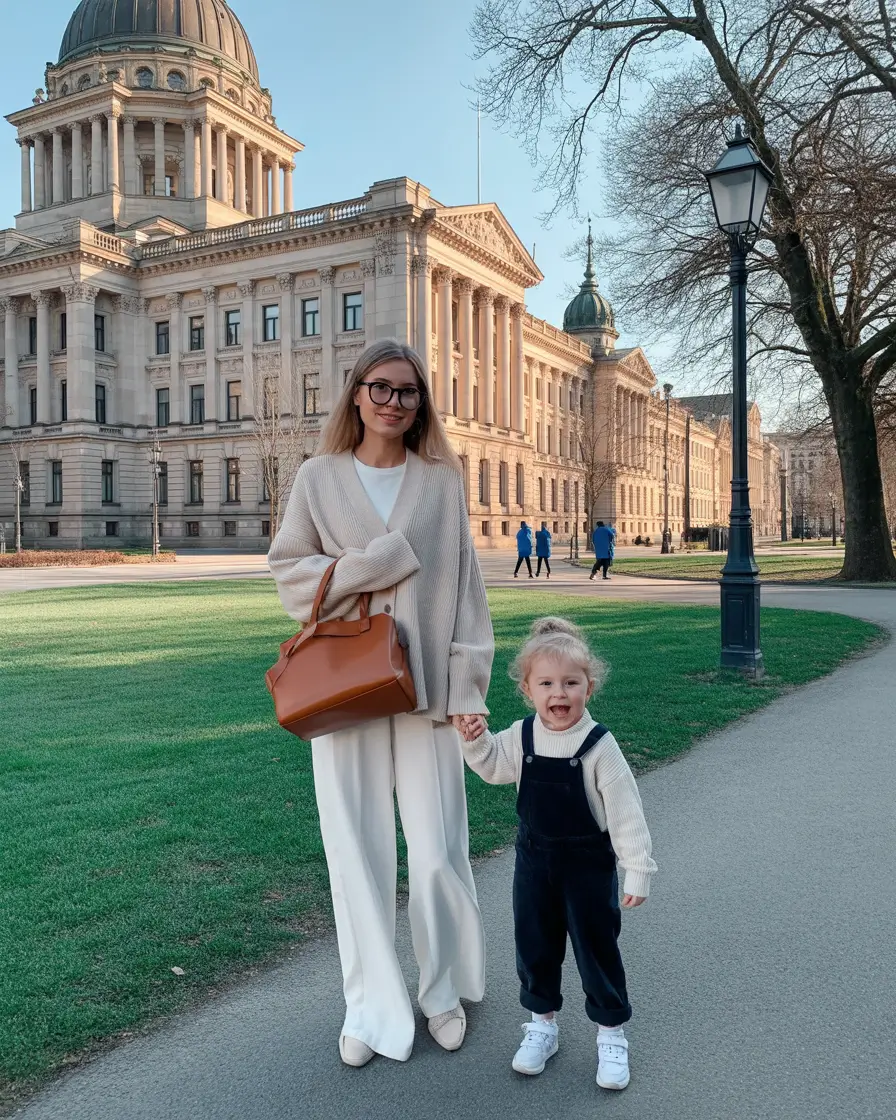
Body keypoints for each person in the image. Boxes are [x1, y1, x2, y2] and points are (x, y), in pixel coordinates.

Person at [268, 339, 494, 1067]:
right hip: (347, 688)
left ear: (421, 403)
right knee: (355, 853)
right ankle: (368, 1009)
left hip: (427, 690)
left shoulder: (441, 481)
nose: (395, 402)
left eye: (408, 391)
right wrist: (374, 565)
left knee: (436, 851)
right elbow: (288, 575)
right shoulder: (318, 477)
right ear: (356, 393)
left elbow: (467, 595)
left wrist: (469, 692)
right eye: (381, 388)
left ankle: (442, 991)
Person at [456, 618, 655, 1092]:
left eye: (570, 683)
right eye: (546, 683)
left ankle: (611, 1034)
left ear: (590, 686)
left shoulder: (598, 746)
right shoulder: (521, 736)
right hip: (534, 865)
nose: (558, 693)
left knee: (596, 950)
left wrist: (638, 871)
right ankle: (541, 1024)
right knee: (535, 946)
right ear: (528, 689)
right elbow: (490, 767)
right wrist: (474, 740)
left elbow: (627, 813)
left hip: (588, 868)